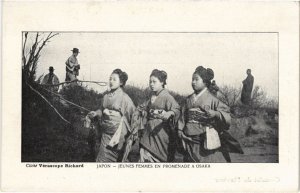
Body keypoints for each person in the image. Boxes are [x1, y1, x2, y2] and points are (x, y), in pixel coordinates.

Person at [177, 66, 242, 162]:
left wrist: (215, 113)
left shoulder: (212, 99)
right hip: (187, 137)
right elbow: (182, 116)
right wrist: (179, 130)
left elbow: (226, 113)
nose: (193, 82)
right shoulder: (188, 100)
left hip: (203, 138)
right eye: (192, 79)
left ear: (205, 82)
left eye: (196, 79)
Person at [87, 69, 136, 162]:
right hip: (106, 134)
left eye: (114, 79)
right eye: (110, 79)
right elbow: (101, 109)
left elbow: (133, 115)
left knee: (120, 161)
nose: (111, 81)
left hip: (118, 135)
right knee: (102, 161)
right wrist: (96, 113)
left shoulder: (125, 98)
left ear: (121, 82)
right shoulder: (106, 96)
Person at [138, 69, 180, 162]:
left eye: (154, 81)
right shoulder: (152, 97)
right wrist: (142, 111)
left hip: (160, 132)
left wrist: (170, 113)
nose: (151, 84)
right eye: (150, 82)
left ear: (162, 82)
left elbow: (176, 109)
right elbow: (143, 107)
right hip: (148, 133)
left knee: (158, 159)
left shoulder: (167, 96)